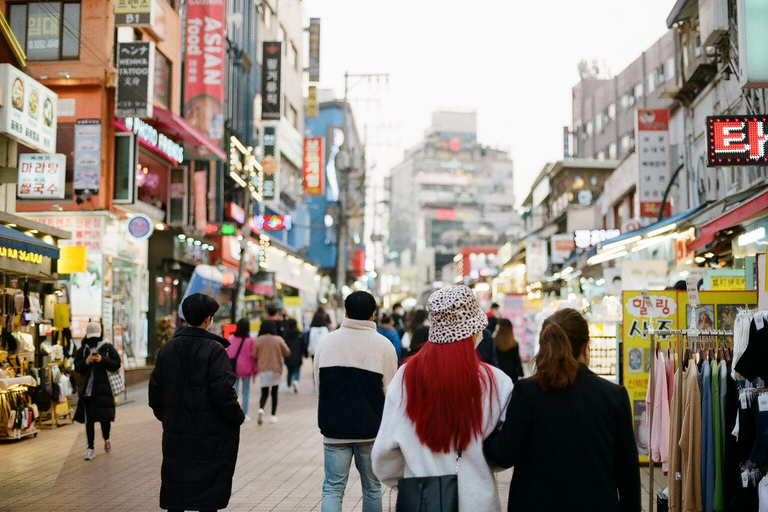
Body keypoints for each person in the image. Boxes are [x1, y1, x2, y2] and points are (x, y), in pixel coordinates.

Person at [484, 308, 641, 512]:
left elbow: (504, 454)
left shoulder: (527, 392)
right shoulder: (614, 396)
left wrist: (481, 431)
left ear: (544, 346)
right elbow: (628, 475)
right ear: (587, 346)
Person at [372, 285, 514, 511]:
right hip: (478, 500)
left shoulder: (404, 379)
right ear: (474, 332)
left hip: (423, 500)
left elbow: (383, 455)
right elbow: (505, 448)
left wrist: (411, 474)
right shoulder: (497, 382)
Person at [149, 293, 245, 512]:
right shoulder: (214, 350)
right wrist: (237, 416)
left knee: (177, 487)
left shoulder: (168, 348)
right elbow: (223, 392)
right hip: (209, 434)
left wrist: (168, 415)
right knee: (207, 491)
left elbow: (155, 390)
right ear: (208, 319)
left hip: (176, 432)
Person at [314, 291, 398, 512]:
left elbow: (318, 387)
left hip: (334, 428)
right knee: (372, 487)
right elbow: (390, 392)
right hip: (370, 431)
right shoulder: (384, 345)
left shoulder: (327, 342)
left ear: (346, 312)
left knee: (332, 487)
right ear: (373, 314)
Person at [73, 322, 121, 461]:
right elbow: (77, 367)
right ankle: (90, 449)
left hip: (105, 391)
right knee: (90, 421)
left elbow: (116, 364)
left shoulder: (107, 348)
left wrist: (102, 359)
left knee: (105, 420)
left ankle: (107, 438)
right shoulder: (83, 350)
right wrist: (86, 361)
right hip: (89, 392)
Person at [252, 320, 291, 424]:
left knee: (264, 392)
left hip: (263, 369)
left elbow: (254, 355)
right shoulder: (278, 339)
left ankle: (261, 409)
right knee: (274, 392)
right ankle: (273, 415)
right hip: (276, 368)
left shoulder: (258, 340)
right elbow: (287, 352)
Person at [226, 318, 259, 420]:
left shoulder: (231, 338)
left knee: (234, 391)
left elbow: (228, 353)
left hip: (234, 369)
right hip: (246, 369)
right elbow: (253, 357)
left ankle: (233, 411)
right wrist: (255, 371)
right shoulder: (250, 340)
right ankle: (245, 413)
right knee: (246, 391)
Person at [494, 319, 524, 383]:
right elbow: (517, 360)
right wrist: (521, 374)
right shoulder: (514, 343)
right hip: (511, 374)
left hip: (498, 372)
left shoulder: (494, 342)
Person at [283, 318, 306, 393]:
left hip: (288, 356)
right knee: (296, 370)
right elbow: (303, 345)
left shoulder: (285, 335)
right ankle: (296, 380)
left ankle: (289, 385)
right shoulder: (300, 334)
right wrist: (305, 353)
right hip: (297, 356)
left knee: (289, 371)